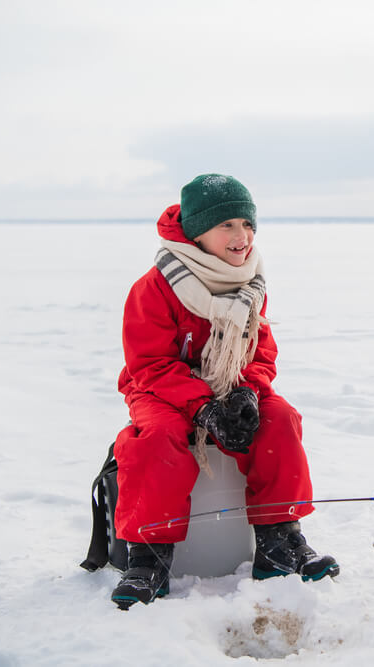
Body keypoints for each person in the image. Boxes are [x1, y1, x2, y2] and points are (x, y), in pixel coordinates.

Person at [110, 174, 338, 611]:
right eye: (227, 225)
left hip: (232, 383)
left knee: (281, 420)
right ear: (198, 233)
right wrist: (203, 408)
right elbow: (150, 364)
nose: (242, 236)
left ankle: (279, 540)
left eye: (247, 224)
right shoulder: (154, 287)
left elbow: (261, 350)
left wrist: (248, 393)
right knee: (158, 438)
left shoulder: (250, 284)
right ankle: (148, 556)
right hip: (159, 389)